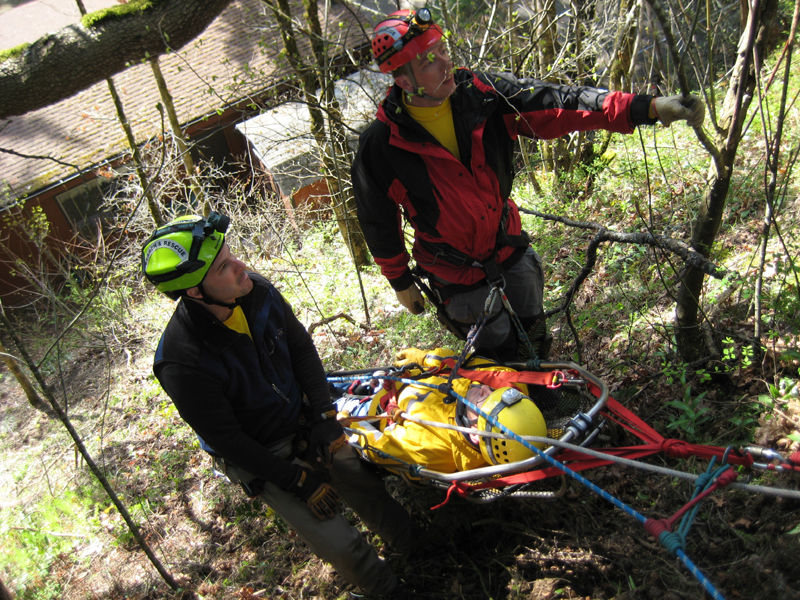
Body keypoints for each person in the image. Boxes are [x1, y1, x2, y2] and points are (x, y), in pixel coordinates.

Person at [352, 8, 706, 362]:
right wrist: (400, 282)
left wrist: (647, 108)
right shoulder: (382, 145)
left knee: (535, 336)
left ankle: (548, 396)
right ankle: (519, 404)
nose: (445, 63)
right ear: (404, 82)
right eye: (429, 61)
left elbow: (557, 102)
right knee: (500, 355)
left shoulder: (482, 95)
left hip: (509, 248)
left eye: (443, 50)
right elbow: (378, 220)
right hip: (455, 274)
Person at [141, 211, 420, 599]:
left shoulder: (257, 292)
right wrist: (297, 481)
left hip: (303, 416)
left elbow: (302, 349)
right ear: (194, 292)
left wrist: (324, 417)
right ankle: (389, 591)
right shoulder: (182, 361)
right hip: (260, 451)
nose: (241, 266)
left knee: (363, 484)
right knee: (341, 542)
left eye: (230, 253)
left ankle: (417, 548)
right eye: (224, 266)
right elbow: (229, 441)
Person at [336, 347, 548, 475]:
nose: (484, 388)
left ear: (475, 434)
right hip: (403, 379)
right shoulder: (508, 391)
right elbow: (465, 362)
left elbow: (376, 447)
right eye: (493, 391)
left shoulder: (430, 451)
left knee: (330, 398)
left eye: (485, 397)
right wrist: (426, 358)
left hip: (371, 409)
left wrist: (347, 423)